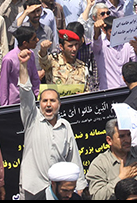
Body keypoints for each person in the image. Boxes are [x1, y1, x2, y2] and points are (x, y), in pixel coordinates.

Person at [17, 49, 87, 198]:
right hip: (33, 189)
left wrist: (80, 184)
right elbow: (25, 92)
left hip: (57, 191)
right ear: (39, 103)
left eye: (52, 101)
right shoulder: (32, 119)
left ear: (59, 104)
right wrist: (23, 65)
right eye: (44, 101)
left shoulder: (65, 125)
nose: (48, 104)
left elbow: (73, 156)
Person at [87, 119, 137, 200]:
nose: (128, 140)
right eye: (122, 136)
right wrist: (120, 178)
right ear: (109, 140)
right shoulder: (99, 164)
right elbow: (97, 197)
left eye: (129, 135)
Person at [0, 26, 40, 106]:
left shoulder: (31, 54)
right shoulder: (9, 59)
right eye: (34, 39)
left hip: (30, 101)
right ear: (25, 43)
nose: (37, 40)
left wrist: (38, 96)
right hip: (14, 103)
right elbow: (4, 83)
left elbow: (35, 78)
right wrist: (4, 106)